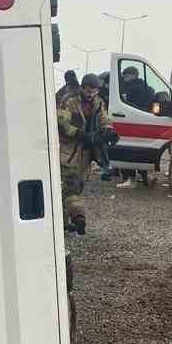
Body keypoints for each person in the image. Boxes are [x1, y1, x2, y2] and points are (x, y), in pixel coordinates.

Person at [57, 72, 116, 234]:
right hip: (69, 151)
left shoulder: (98, 102)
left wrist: (109, 131)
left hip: (86, 154)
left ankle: (65, 221)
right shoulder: (69, 101)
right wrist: (80, 134)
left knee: (77, 186)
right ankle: (77, 218)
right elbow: (62, 124)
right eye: (88, 91)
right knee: (71, 186)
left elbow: (104, 119)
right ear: (82, 88)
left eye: (94, 91)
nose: (90, 95)